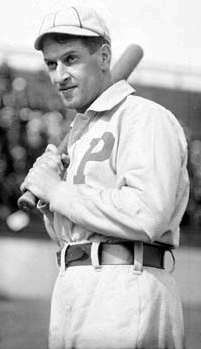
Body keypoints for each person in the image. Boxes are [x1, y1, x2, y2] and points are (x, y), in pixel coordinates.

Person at [21, 5, 189, 349]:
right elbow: (77, 231)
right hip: (74, 287)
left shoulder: (144, 117)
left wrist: (57, 191)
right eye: (51, 64)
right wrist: (49, 196)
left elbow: (147, 213)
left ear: (104, 57)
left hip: (126, 287)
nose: (59, 75)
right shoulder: (80, 134)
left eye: (70, 59)